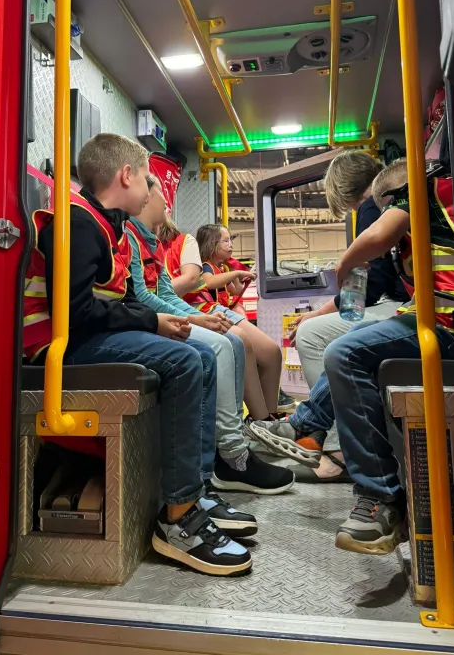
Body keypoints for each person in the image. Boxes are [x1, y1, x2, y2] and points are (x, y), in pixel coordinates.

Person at [22, 133, 251, 576]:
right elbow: (76, 311)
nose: (151, 190)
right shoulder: (77, 223)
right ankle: (178, 521)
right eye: (147, 179)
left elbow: (123, 300)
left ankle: (193, 490)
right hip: (57, 348)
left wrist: (162, 322)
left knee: (199, 357)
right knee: (184, 360)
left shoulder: (112, 229)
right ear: (126, 176)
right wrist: (152, 323)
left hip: (83, 339)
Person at [272, 158, 454, 555]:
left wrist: (343, 264)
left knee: (340, 348)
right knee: (349, 337)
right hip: (429, 314)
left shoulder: (411, 197)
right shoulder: (438, 195)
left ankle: (373, 489)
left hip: (448, 325)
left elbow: (366, 284)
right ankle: (312, 429)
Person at [127, 175, 294, 497]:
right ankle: (227, 454)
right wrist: (192, 317)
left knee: (239, 343)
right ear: (143, 197)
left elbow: (163, 292)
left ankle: (236, 445)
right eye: (161, 193)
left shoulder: (150, 242)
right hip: (150, 320)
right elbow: (139, 297)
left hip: (176, 312)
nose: (167, 201)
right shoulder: (130, 239)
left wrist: (196, 317)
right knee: (222, 345)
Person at [250, 151, 409, 481]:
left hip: (397, 303)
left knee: (311, 334)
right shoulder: (387, 204)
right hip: (399, 302)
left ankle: (327, 442)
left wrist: (317, 313)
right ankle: (320, 437)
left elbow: (368, 285)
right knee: (319, 331)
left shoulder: (370, 207)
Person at [160, 219, 291, 420]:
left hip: (210, 308)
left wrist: (239, 279)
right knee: (236, 342)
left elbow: (229, 290)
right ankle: (258, 419)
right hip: (202, 308)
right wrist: (237, 273)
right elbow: (203, 282)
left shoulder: (211, 261)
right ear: (212, 244)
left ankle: (267, 416)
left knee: (271, 352)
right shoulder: (207, 267)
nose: (230, 245)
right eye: (225, 241)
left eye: (231, 240)